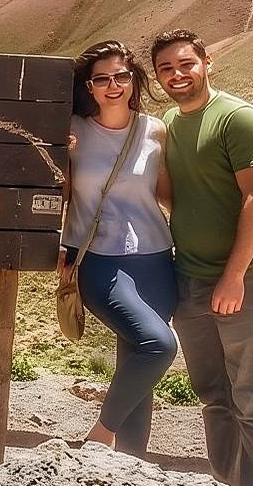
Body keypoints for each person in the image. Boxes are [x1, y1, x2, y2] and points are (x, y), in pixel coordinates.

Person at [151, 29, 253, 486]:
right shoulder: (170, 122)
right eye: (166, 68)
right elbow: (174, 194)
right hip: (190, 279)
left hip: (245, 281)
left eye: (186, 64)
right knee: (214, 398)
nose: (177, 75)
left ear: (207, 62)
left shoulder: (238, 117)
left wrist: (234, 276)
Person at [58, 41, 177, 457]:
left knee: (137, 362)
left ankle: (129, 468)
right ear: (88, 87)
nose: (113, 85)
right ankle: (101, 436)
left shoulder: (155, 130)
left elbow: (167, 195)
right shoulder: (71, 129)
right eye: (102, 78)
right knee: (158, 344)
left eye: (121, 76)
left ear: (133, 81)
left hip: (156, 258)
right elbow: (63, 195)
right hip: (97, 260)